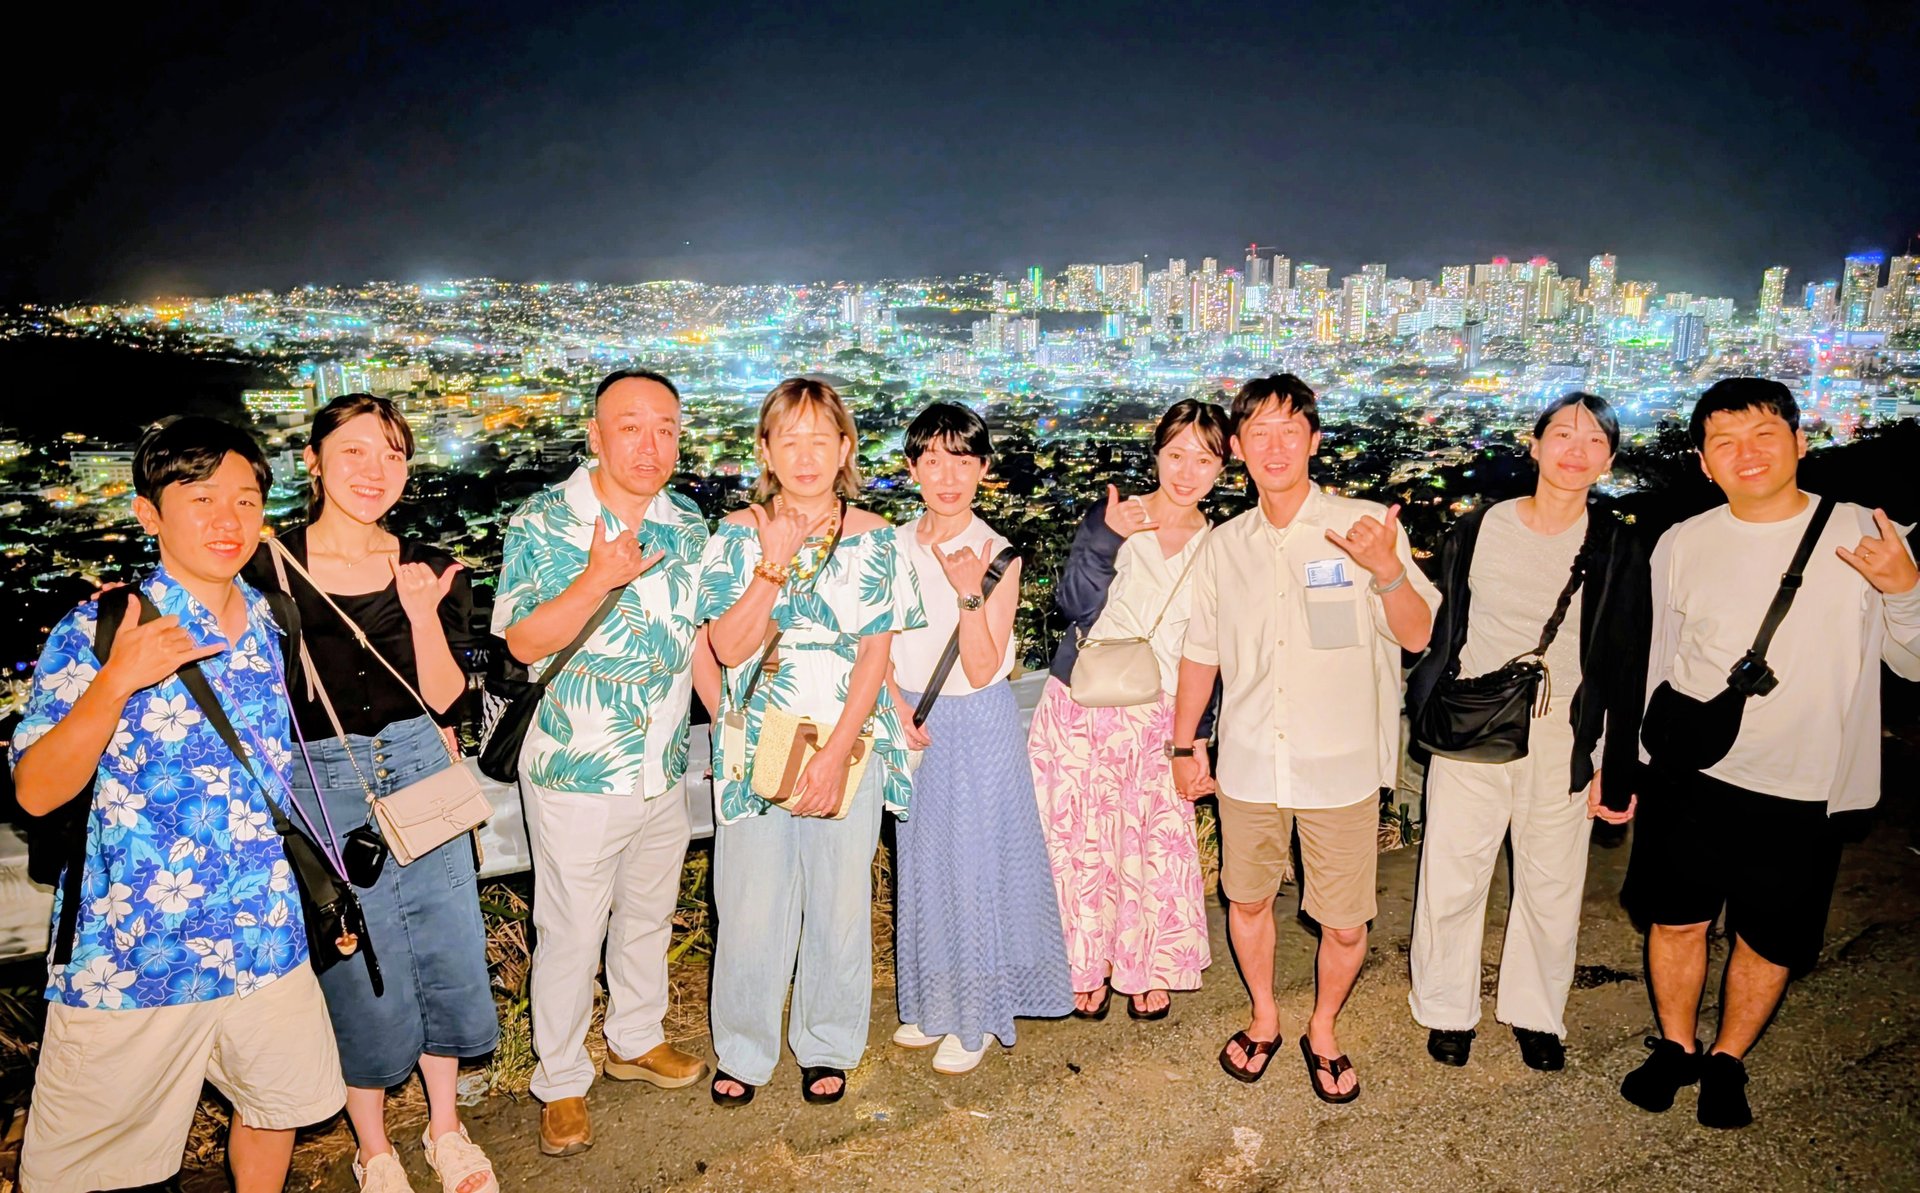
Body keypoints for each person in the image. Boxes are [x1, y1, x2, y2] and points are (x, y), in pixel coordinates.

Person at [10, 417, 345, 1193]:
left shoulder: (271, 619)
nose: (228, 520)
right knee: (88, 1172)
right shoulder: (100, 630)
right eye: (200, 499)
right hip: (135, 950)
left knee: (274, 1108)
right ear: (148, 513)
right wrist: (114, 681)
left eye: (245, 498)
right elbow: (36, 788)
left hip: (263, 933)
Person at [1620, 377, 1920, 1129]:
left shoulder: (1863, 532)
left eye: (1763, 434)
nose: (1745, 453)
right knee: (1677, 918)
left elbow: (1914, 663)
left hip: (1805, 785)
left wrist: (1906, 588)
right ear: (1703, 461)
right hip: (1692, 773)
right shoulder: (1683, 541)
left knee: (1768, 935)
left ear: (1799, 441)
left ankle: (1729, 1058)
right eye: (1724, 441)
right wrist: (1627, 761)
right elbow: (1655, 662)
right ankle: (1677, 1046)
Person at [244, 394, 497, 1193]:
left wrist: (423, 613)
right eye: (353, 452)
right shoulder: (264, 565)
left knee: (447, 940)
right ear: (312, 461)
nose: (374, 471)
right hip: (320, 773)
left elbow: (448, 697)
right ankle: (374, 1143)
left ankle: (446, 1128)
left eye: (391, 454)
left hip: (419, 758)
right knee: (358, 951)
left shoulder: (425, 564)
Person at [1171, 373, 1439, 1103]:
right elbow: (1204, 651)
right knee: (1248, 899)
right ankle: (1265, 1015)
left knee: (1345, 921)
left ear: (1315, 441)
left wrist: (1387, 571)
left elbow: (1417, 634)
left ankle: (1324, 1025)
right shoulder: (1225, 546)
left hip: (1341, 763)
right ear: (1239, 447)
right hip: (1253, 758)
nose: (1275, 444)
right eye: (1258, 430)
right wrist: (1183, 743)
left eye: (1291, 429)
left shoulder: (1362, 526)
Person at [493, 369, 712, 1157]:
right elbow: (520, 641)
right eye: (630, 426)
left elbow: (700, 637)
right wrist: (597, 578)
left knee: (648, 913)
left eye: (666, 427)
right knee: (571, 930)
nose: (650, 444)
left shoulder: (687, 520)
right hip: (578, 769)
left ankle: (633, 1037)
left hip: (662, 761)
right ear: (594, 434)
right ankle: (559, 1080)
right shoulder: (544, 521)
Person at [1403, 393, 1648, 1073]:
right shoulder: (1479, 528)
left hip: (1564, 734)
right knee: (1452, 875)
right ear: (1534, 445)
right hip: (1477, 722)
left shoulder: (1619, 544)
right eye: (1562, 433)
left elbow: (1629, 658)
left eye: (1595, 439)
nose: (1577, 448)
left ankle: (1536, 1010)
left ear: (1608, 459)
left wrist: (1616, 762)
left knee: (1552, 882)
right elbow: (1443, 624)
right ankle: (1447, 1007)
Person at [700, 377, 925, 1106]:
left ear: (845, 448)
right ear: (764, 449)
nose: (805, 455)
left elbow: (875, 654)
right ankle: (744, 1045)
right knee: (750, 902)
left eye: (819, 439)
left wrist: (833, 755)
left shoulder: (877, 537)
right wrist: (774, 560)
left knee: (837, 901)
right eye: (788, 439)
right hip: (754, 749)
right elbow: (730, 648)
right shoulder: (735, 533)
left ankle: (827, 1039)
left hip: (848, 744)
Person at [884, 403, 1072, 1074]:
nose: (947, 475)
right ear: (911, 468)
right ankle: (934, 1003)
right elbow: (874, 640)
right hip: (913, 716)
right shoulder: (894, 543)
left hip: (979, 718)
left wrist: (968, 593)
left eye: (962, 460)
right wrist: (890, 705)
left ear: (983, 469)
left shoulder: (998, 553)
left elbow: (986, 663)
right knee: (924, 861)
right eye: (932, 459)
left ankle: (980, 1014)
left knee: (976, 864)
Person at [1029, 398, 1229, 1021]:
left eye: (1203, 458)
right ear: (1157, 455)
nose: (1187, 471)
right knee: (1080, 844)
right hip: (1084, 704)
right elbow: (1071, 603)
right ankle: (1081, 967)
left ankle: (1149, 965)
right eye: (1176, 454)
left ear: (1223, 468)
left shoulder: (1222, 544)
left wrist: (1196, 738)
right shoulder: (1118, 514)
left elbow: (1215, 648)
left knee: (1152, 844)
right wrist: (1107, 538)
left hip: (1163, 712)